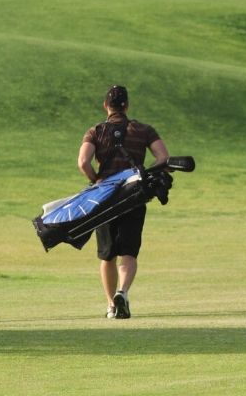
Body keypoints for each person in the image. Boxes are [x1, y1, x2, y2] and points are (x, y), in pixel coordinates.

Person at [77, 85, 170, 319]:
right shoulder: (143, 130)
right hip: (133, 196)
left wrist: (95, 180)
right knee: (129, 252)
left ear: (106, 106)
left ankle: (110, 305)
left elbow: (83, 162)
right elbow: (164, 157)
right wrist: (147, 176)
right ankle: (123, 292)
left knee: (107, 255)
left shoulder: (95, 131)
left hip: (104, 198)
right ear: (126, 106)